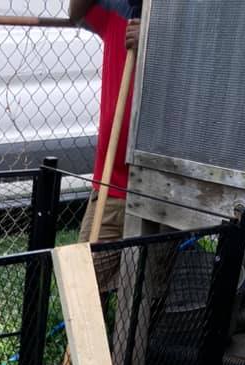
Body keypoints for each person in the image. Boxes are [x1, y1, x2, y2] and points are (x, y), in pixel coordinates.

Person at [70, 0, 141, 243]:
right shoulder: (121, 11)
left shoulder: (186, 23)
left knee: (149, 268)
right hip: (111, 186)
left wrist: (155, 41)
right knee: (87, 266)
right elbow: (76, 12)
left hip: (161, 192)